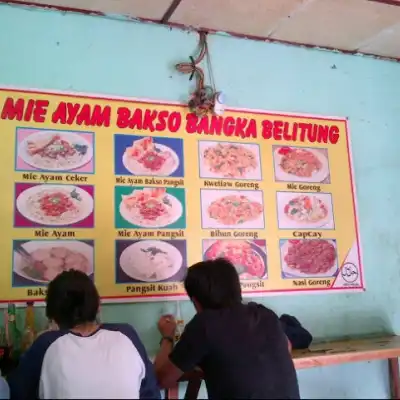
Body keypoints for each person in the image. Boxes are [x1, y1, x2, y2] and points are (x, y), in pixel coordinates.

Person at [154, 258, 300, 399]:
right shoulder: (264, 313)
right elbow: (287, 346)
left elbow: (161, 380)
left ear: (196, 301)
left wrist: (167, 336)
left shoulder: (204, 325)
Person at [7, 270, 160, 399]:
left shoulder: (45, 344)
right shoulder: (127, 335)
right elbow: (151, 394)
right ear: (98, 306)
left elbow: (16, 392)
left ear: (52, 314)